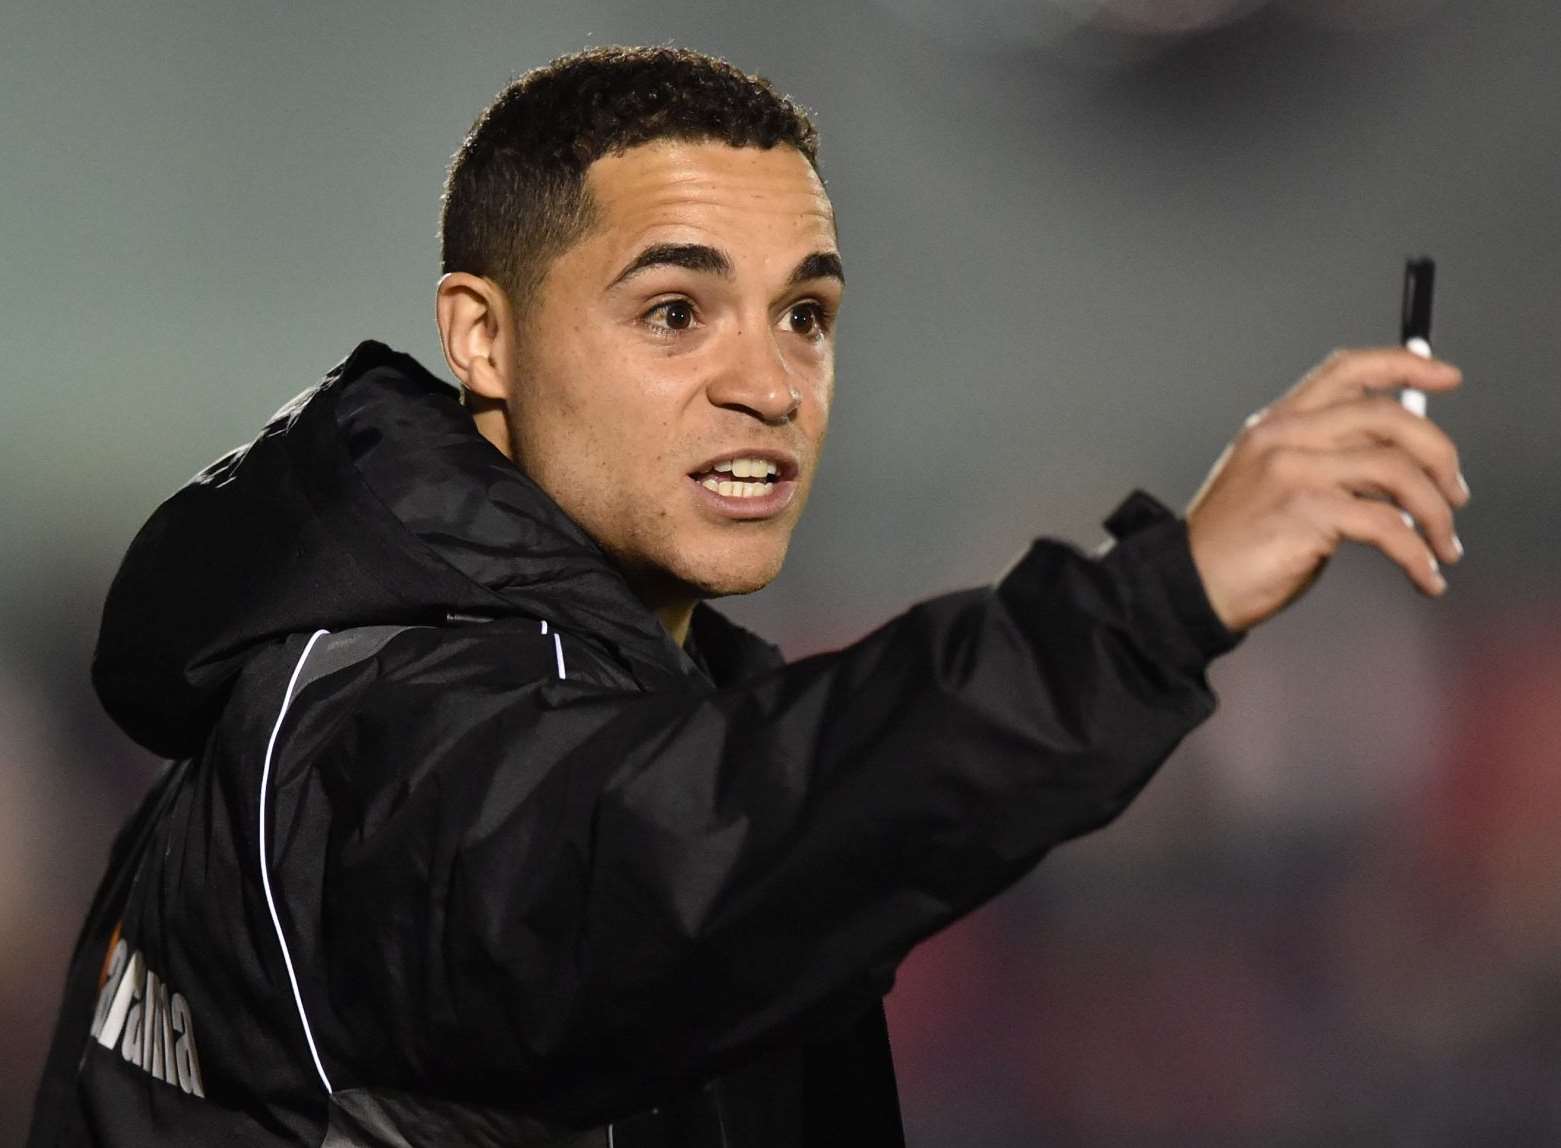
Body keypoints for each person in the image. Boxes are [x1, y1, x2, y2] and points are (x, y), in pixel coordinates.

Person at [28, 45, 1467, 1148]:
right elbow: (692, 843)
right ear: (484, 338)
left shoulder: (485, 662)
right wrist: (1163, 600)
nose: (767, 384)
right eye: (672, 312)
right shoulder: (390, 726)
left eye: (806, 314)